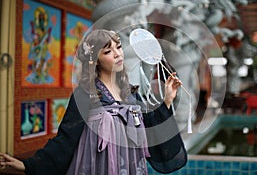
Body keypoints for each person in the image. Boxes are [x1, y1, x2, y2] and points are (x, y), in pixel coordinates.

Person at [0, 29, 187, 175]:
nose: (117, 54)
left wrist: (167, 99)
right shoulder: (85, 95)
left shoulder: (130, 94)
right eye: (108, 51)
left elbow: (151, 132)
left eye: (118, 47)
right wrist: (28, 165)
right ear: (95, 60)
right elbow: (65, 139)